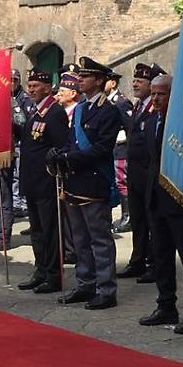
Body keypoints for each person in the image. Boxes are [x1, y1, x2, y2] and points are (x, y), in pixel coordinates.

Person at [49, 55, 121, 311]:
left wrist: (70, 158)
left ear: (99, 81)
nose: (79, 79)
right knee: (79, 238)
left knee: (99, 239)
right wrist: (59, 154)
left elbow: (102, 148)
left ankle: (106, 289)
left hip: (94, 181)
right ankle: (85, 283)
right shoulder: (80, 109)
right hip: (74, 181)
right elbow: (72, 141)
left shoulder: (108, 111)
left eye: (85, 76)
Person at [140, 72, 183, 334]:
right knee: (161, 256)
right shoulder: (151, 120)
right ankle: (166, 304)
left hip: (179, 198)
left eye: (161, 94)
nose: (156, 99)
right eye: (153, 94)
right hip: (155, 197)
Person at [16, 66, 69, 294]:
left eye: (36, 86)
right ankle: (41, 270)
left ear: (48, 88)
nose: (31, 89)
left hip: (47, 182)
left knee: (50, 231)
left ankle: (53, 275)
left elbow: (61, 145)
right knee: (37, 231)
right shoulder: (35, 111)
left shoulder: (54, 112)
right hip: (32, 181)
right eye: (29, 86)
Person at [116, 62, 161, 281]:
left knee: (153, 222)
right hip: (134, 173)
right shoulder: (138, 106)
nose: (135, 84)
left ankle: (154, 263)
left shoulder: (155, 107)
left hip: (148, 174)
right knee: (138, 220)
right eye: (134, 80)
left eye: (140, 81)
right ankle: (138, 260)